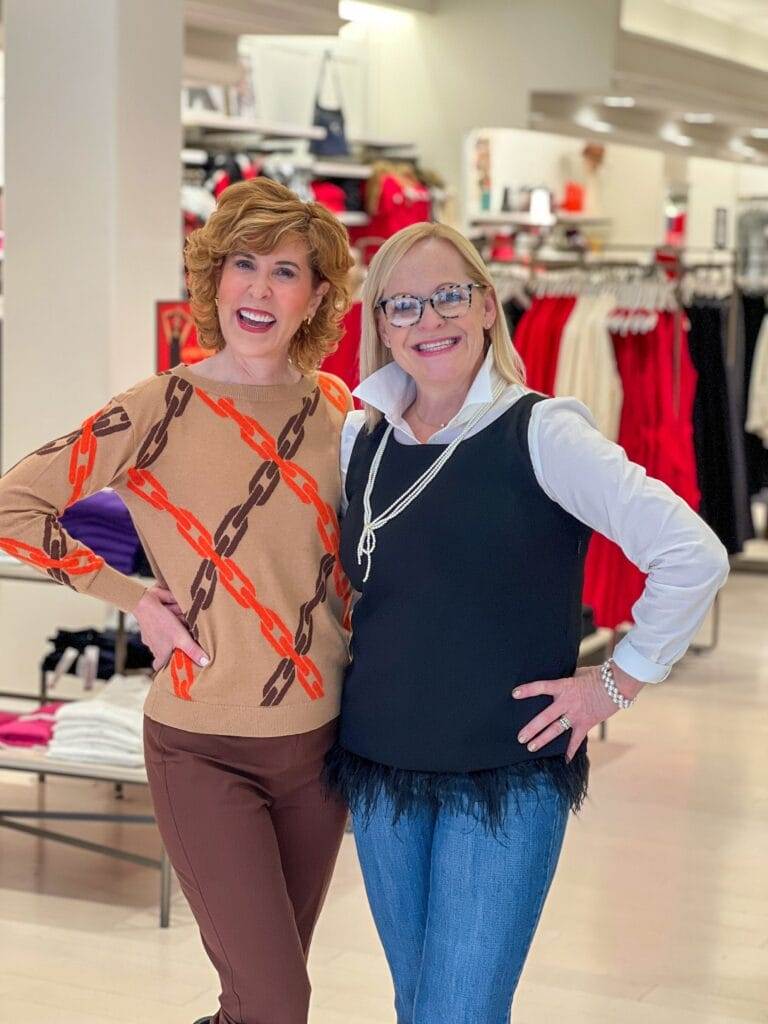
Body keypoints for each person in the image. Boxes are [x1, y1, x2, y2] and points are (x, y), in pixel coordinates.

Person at [324, 221, 730, 1023]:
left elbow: (694, 553)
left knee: (459, 1012)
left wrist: (615, 683)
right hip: (379, 769)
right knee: (418, 1005)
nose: (426, 321)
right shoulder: (360, 436)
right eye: (402, 305)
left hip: (503, 775)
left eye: (448, 296)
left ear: (485, 307)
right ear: (379, 325)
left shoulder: (542, 431)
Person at [0, 177, 355, 1024]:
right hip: (204, 748)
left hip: (325, 749)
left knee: (255, 1001)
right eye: (243, 264)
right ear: (214, 279)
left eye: (285, 271)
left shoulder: (343, 411)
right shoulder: (157, 408)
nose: (259, 290)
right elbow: (15, 504)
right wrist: (131, 599)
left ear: (316, 297)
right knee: (278, 1002)